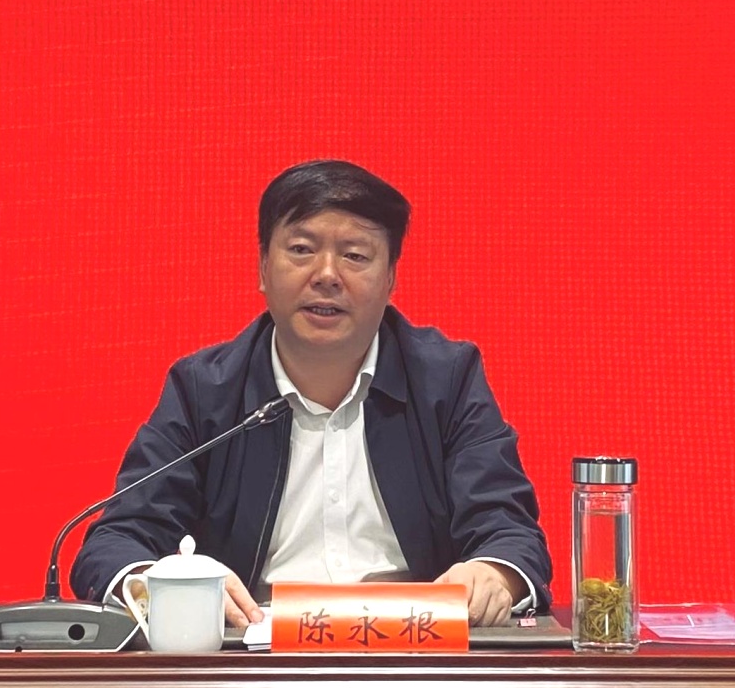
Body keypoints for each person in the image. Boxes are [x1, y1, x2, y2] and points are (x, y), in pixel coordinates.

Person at [71, 159, 552, 627]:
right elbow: (117, 543)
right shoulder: (205, 390)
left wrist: (494, 574)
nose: (326, 274)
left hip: (412, 651)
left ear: (391, 278)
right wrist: (161, 585)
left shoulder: (444, 379)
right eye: (301, 249)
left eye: (355, 256)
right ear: (263, 267)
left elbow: (510, 533)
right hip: (252, 659)